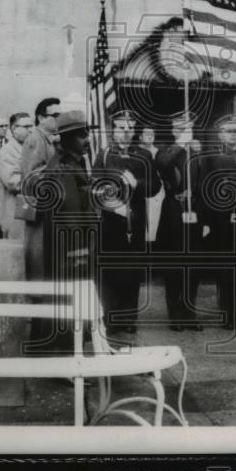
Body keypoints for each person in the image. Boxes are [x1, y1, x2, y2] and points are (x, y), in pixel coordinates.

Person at [31, 110, 97, 353]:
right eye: (81, 135)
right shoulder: (61, 168)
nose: (87, 139)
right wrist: (80, 254)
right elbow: (68, 216)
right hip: (69, 252)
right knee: (68, 304)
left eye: (87, 133)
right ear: (67, 138)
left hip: (70, 250)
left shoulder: (71, 162)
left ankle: (66, 352)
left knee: (70, 304)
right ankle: (65, 359)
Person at [92, 110, 161, 334]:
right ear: (114, 129)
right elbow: (94, 187)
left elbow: (155, 187)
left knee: (132, 272)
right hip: (110, 224)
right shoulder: (103, 155)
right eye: (122, 128)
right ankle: (111, 319)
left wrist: (136, 183)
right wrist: (113, 204)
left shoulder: (144, 155)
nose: (126, 132)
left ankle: (129, 319)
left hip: (136, 223)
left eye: (130, 128)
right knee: (110, 272)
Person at [193, 114, 236, 331]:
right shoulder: (212, 155)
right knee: (225, 270)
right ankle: (226, 314)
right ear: (220, 134)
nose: (234, 136)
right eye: (230, 131)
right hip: (220, 222)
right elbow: (209, 184)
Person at [154, 111, 203, 331]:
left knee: (193, 266)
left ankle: (189, 313)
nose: (184, 131)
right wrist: (182, 143)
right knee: (174, 264)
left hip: (196, 211)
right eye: (179, 128)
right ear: (174, 130)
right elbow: (164, 164)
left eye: (187, 127)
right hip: (174, 209)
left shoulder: (196, 151)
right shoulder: (166, 150)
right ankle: (175, 314)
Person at [20, 97, 61, 281]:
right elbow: (32, 177)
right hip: (39, 208)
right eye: (55, 115)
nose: (58, 119)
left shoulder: (48, 139)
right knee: (38, 252)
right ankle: (37, 296)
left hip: (47, 206)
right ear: (41, 118)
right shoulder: (35, 139)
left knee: (46, 253)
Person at [0, 111, 32, 241]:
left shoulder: (27, 148)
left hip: (26, 213)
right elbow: (14, 183)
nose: (31, 130)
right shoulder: (7, 150)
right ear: (14, 129)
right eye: (26, 127)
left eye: (31, 126)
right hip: (14, 215)